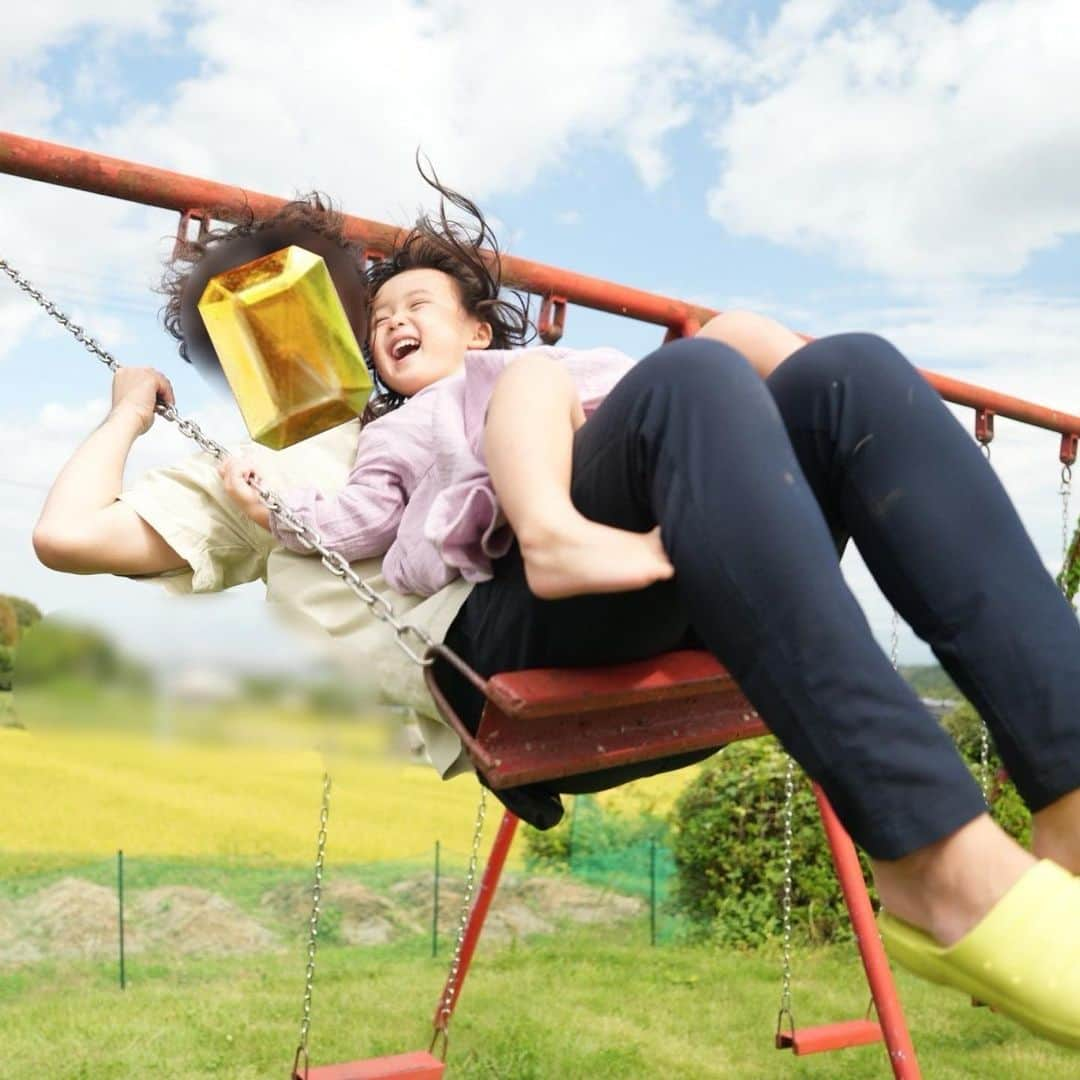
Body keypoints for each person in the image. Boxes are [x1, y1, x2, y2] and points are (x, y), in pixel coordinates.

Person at [31, 180, 1080, 1051]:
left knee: (852, 371)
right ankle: (938, 864)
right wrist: (130, 410)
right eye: (261, 327)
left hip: (665, 569)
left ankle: (1072, 813)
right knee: (697, 378)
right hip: (497, 654)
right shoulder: (271, 465)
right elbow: (70, 536)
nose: (353, 328)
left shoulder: (499, 388)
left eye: (364, 301)